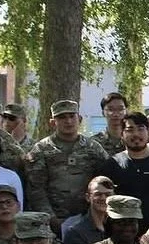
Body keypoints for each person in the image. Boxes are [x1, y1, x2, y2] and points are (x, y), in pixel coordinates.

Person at [23, 99, 109, 236]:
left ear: (79, 119)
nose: (68, 121)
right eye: (62, 117)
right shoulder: (41, 150)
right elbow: (36, 189)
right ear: (53, 122)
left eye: (71, 116)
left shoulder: (93, 148)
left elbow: (106, 181)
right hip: (51, 221)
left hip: (88, 220)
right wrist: (51, 218)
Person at [98, 112, 149, 235]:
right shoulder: (111, 165)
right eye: (130, 130)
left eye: (141, 129)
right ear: (122, 134)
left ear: (148, 133)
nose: (136, 134)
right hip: (120, 235)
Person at [59, 176, 115, 244]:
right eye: (98, 194)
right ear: (88, 197)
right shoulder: (75, 231)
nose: (103, 198)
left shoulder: (120, 227)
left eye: (108, 195)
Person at [93, 92, 128, 157]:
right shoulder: (94, 143)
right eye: (110, 110)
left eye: (120, 109)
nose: (116, 114)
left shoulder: (133, 140)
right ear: (103, 113)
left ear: (126, 111)